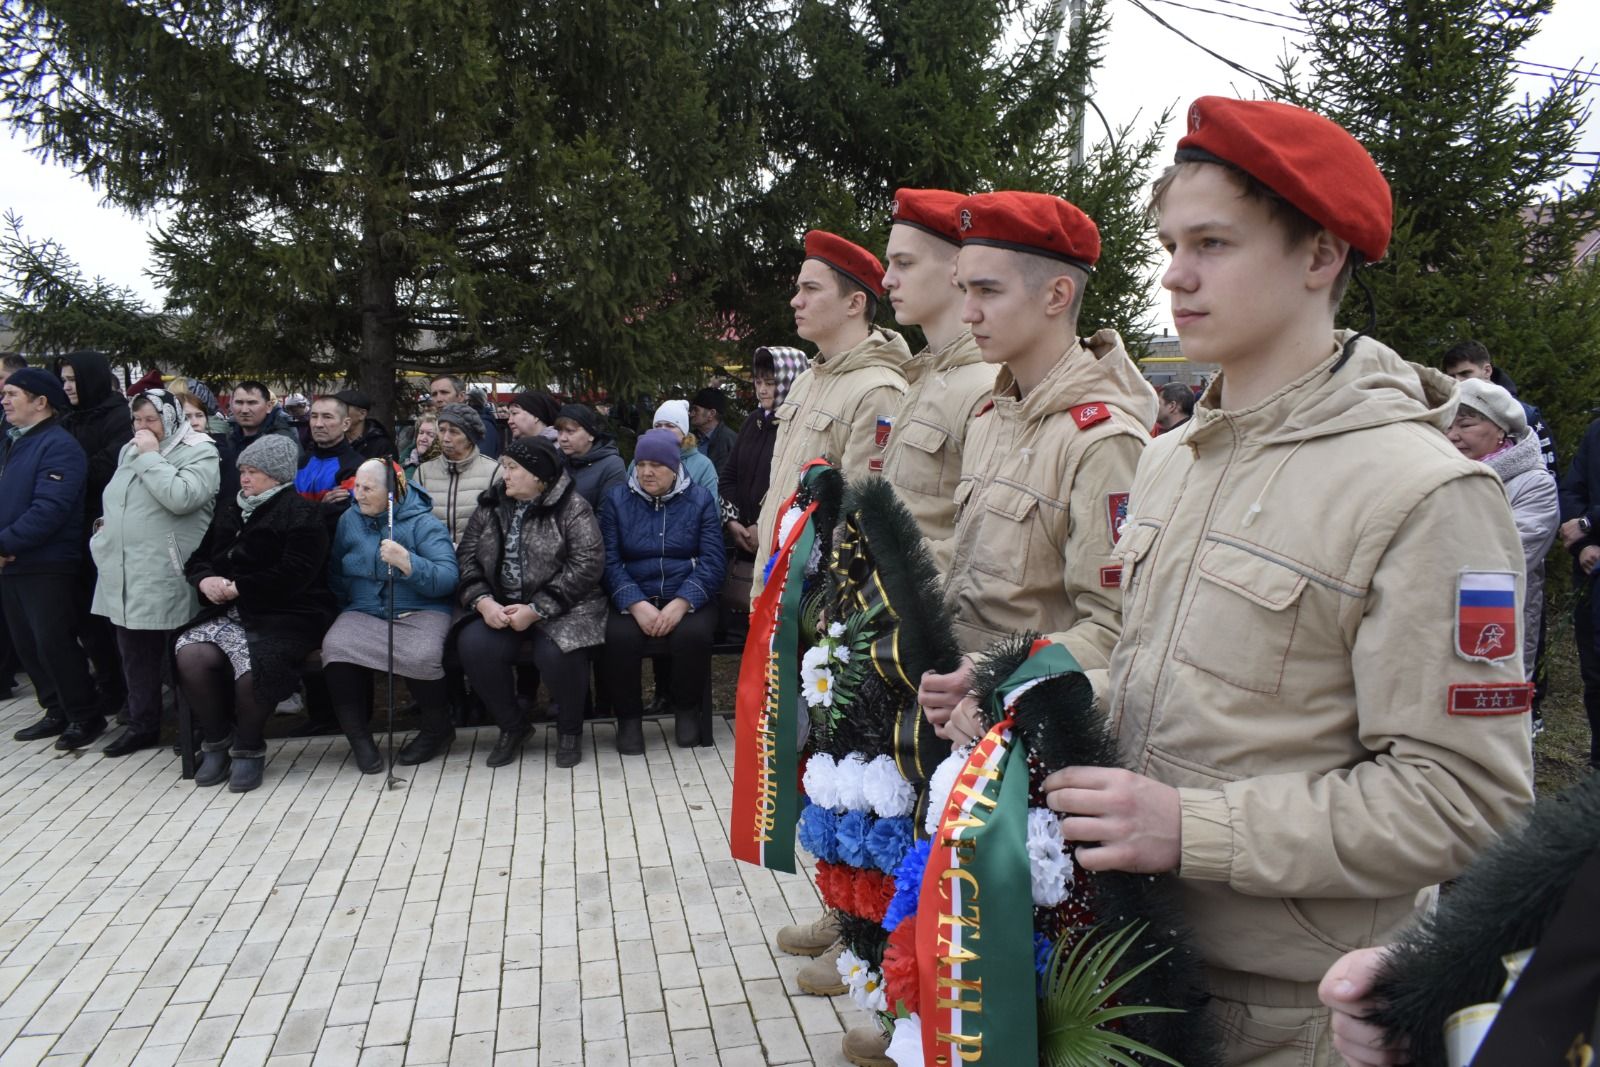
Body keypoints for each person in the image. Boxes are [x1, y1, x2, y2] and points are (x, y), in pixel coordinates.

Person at [1033, 97, 1533, 1066]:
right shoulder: (1174, 459)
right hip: (1125, 964)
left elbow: (1464, 797)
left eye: (1213, 242)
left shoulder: (1424, 489)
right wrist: (1036, 700)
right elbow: (1174, 686)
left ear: (1320, 256)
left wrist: (1191, 826)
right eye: (1170, 242)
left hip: (1292, 1014)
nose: (1175, 274)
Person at [917, 190, 1154, 735]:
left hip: (1023, 741)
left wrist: (994, 672)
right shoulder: (991, 418)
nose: (968, 311)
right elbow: (968, 559)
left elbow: (1115, 631)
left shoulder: (1102, 443)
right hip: (956, 718)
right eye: (964, 290)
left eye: (987, 291)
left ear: (1056, 294)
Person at [751, 230, 911, 601]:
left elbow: (860, 519)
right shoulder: (807, 380)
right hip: (772, 592)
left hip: (813, 609)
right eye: (798, 289)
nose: (795, 301)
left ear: (854, 303)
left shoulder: (878, 390)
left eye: (811, 289)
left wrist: (826, 614)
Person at [175, 434, 336, 792]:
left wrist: (239, 587)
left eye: (253, 472)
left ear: (276, 475)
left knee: (255, 666)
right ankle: (216, 742)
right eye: (243, 471)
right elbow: (198, 559)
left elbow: (296, 573)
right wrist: (205, 581)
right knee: (191, 653)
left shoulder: (301, 513)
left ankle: (248, 747)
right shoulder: (232, 509)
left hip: (290, 612)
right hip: (234, 612)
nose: (244, 478)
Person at [452, 437, 607, 768]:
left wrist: (537, 610)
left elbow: (587, 564)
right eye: (504, 467)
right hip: (503, 606)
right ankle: (513, 726)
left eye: (512, 468)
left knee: (556, 652)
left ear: (538, 476)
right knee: (475, 646)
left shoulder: (572, 507)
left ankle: (570, 730)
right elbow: (467, 557)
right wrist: (482, 602)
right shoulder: (492, 505)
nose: (504, 475)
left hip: (565, 607)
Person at [90, 389, 220, 756]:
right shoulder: (128, 450)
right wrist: (103, 534)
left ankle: (192, 725)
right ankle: (142, 724)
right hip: (126, 569)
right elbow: (118, 498)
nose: (143, 428)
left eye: (152, 419)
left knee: (178, 654)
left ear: (172, 418)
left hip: (169, 570)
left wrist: (150, 457)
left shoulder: (200, 450)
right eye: (137, 420)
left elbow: (182, 497)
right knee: (134, 654)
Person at [876, 188, 996, 570]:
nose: (887, 280)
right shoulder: (925, 378)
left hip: (928, 614)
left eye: (904, 263)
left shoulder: (986, 387)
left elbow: (980, 549)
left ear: (957, 268)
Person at [323, 460, 458, 773]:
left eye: (368, 488)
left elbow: (448, 578)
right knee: (336, 648)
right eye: (356, 486)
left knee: (422, 655)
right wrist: (348, 607)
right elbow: (336, 570)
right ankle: (359, 738)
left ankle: (437, 728)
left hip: (420, 608)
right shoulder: (350, 520)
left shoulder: (424, 523)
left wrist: (409, 564)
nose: (358, 495)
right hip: (365, 609)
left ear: (392, 493)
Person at [599, 429, 725, 753]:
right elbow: (609, 561)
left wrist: (683, 602)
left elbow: (713, 561)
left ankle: (685, 709)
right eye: (641, 464)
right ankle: (628, 718)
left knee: (692, 636)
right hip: (635, 591)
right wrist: (635, 603)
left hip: (686, 592)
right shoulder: (616, 499)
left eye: (656, 465)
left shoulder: (699, 501)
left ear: (674, 467)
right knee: (619, 637)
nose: (646, 472)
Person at [0, 369, 99, 749]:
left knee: (52, 642)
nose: (5, 401)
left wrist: (4, 543)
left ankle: (83, 714)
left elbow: (50, 510)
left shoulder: (58, 446)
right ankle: (55, 709)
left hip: (47, 562)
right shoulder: (15, 442)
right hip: (13, 561)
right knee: (27, 644)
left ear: (41, 401)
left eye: (13, 394)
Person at [1447, 379, 1558, 694]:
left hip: (1493, 617)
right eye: (1448, 424)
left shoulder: (1533, 483)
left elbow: (1509, 556)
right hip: (1428, 616)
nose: (1453, 434)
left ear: (1500, 431)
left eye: (1466, 424)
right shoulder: (1434, 470)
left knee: (1488, 711)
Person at [57, 350, 134, 720]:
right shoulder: (68, 418)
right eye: (64, 380)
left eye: (73, 379)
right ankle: (108, 687)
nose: (67, 386)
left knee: (110, 616)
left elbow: (107, 467)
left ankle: (127, 692)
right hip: (73, 527)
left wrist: (65, 475)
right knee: (86, 619)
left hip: (106, 525)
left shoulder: (119, 416)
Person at [719, 347, 806, 617]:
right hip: (744, 538)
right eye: (758, 382)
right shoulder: (753, 422)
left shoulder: (799, 427)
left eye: (771, 383)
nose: (762, 390)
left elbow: (798, 486)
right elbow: (729, 476)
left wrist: (763, 526)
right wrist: (733, 522)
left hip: (781, 544)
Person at [1441, 340, 1557, 475]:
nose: (1458, 381)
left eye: (1465, 374)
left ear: (1487, 370)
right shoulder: (1442, 410)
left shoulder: (1526, 414)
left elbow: (1548, 470)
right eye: (1452, 377)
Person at [1559, 416, 1600, 768]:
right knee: (1594, 673)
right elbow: (1572, 490)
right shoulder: (1597, 430)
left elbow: (1585, 517)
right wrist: (1583, 545)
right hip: (1591, 572)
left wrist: (1590, 523)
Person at [414, 403, 503, 545]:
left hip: (476, 560)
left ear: (470, 438)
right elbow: (415, 522)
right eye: (442, 430)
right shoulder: (423, 472)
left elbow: (499, 527)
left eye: (454, 432)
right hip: (435, 560)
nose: (445, 438)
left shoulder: (494, 472)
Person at [295, 396, 364, 516]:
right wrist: (321, 506)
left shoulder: (356, 467)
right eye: (314, 416)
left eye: (327, 417)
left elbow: (340, 516)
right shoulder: (300, 463)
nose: (318, 424)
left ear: (346, 424)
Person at [554, 403, 626, 510]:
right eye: (559, 432)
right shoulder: (555, 460)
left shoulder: (611, 466)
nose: (563, 438)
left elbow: (608, 516)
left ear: (591, 435)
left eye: (570, 431)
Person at [649, 399, 719, 502]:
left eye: (670, 426)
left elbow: (711, 510)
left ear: (683, 432)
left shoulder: (703, 466)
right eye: (658, 426)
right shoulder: (641, 461)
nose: (662, 430)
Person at [428, 375, 501, 458]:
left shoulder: (482, 426)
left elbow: (480, 466)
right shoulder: (433, 425)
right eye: (434, 394)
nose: (438, 399)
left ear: (461, 396)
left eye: (444, 392)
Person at [228, 380, 299, 450]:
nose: (244, 410)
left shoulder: (284, 444)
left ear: (269, 406)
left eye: (252, 403)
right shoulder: (228, 440)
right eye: (239, 403)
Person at [334, 389, 395, 460]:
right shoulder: (330, 440)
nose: (336, 414)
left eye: (342, 409)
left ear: (362, 414)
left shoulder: (381, 445)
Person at [689, 387, 736, 474]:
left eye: (696, 410)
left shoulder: (730, 441)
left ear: (711, 414)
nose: (691, 414)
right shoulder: (689, 438)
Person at [402, 413, 441, 479]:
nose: (423, 438)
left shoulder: (443, 468)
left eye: (430, 435)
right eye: (421, 433)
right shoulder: (405, 462)